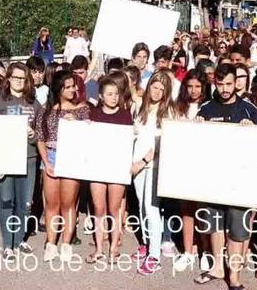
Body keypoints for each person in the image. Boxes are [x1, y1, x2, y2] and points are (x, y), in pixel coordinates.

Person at [192, 64, 257, 288]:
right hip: (213, 179)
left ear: (236, 84)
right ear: (215, 83)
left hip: (240, 181)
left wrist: (253, 129)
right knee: (214, 226)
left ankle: (234, 276)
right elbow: (193, 141)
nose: (224, 89)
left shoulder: (249, 109)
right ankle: (217, 268)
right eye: (220, 84)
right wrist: (197, 126)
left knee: (237, 230)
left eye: (229, 84)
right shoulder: (206, 108)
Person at [0, 63, 43, 261]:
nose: (20, 81)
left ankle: (19, 240)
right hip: (5, 158)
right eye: (16, 77)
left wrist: (33, 134)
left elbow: (41, 132)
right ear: (8, 78)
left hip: (28, 157)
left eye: (23, 78)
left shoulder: (33, 102)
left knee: (26, 203)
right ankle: (7, 244)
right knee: (6, 201)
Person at [33, 70, 90, 263]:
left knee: (68, 203)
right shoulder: (46, 110)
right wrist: (47, 162)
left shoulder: (82, 110)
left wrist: (82, 124)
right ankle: (51, 243)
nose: (74, 89)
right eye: (69, 86)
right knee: (52, 204)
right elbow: (40, 137)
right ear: (59, 89)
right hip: (51, 156)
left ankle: (66, 242)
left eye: (74, 85)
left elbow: (90, 135)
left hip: (72, 158)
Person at [130, 72, 175, 276]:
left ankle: (154, 256)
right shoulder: (140, 106)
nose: (157, 92)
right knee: (140, 205)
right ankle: (147, 244)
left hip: (154, 164)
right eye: (154, 87)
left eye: (161, 89)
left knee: (152, 207)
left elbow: (163, 143)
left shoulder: (169, 111)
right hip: (136, 163)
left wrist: (143, 161)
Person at [85, 75, 133, 265]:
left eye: (116, 94)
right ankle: (99, 249)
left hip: (117, 169)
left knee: (114, 209)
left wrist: (133, 133)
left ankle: (114, 249)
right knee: (99, 209)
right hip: (97, 167)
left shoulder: (125, 116)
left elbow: (128, 143)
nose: (113, 97)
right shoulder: (93, 115)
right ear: (101, 96)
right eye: (109, 94)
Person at [172, 69, 211, 273]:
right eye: (190, 86)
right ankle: (187, 251)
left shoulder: (209, 106)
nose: (194, 90)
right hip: (183, 162)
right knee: (187, 209)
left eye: (198, 86)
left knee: (203, 210)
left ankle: (205, 251)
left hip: (204, 163)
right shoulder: (178, 107)